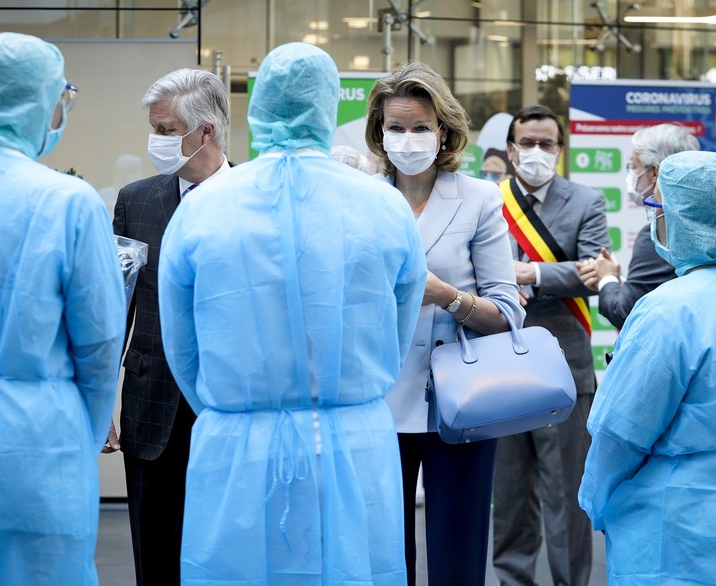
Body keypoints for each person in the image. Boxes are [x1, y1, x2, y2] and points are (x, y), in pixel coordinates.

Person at [158, 43, 426, 584]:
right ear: (329, 108)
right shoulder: (382, 205)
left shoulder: (204, 206)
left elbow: (182, 344)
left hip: (237, 447)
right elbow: (398, 329)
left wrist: (232, 409)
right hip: (353, 443)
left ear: (258, 105)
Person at [0, 32, 125, 584]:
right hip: (37, 442)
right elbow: (99, 343)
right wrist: (79, 438)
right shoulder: (67, 201)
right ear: (43, 101)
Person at [579, 151, 716, 584]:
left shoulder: (667, 309)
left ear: (683, 217)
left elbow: (619, 432)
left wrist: (597, 499)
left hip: (679, 526)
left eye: (658, 208)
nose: (654, 218)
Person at [365, 61, 524, 586]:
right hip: (373, 398)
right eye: (395, 128)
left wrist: (447, 297)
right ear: (379, 132)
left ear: (444, 131)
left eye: (419, 128)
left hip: (459, 399)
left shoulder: (478, 199)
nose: (407, 139)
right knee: (381, 554)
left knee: (458, 553)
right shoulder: (360, 199)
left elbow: (506, 314)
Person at [108, 68, 231, 585]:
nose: (156, 141)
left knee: (225, 555)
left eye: (165, 130)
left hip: (229, 405)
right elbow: (117, 310)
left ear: (206, 132)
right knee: (154, 555)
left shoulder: (253, 199)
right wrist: (98, 402)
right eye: (153, 129)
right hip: (151, 404)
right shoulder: (136, 201)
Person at [493, 104, 609, 586]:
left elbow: (592, 273)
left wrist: (530, 273)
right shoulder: (487, 199)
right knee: (511, 496)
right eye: (527, 143)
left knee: (567, 495)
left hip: (565, 364)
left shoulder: (587, 200)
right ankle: (512, 580)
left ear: (560, 149)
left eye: (547, 143)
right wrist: (500, 281)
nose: (536, 152)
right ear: (510, 148)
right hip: (499, 366)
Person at [577, 123, 699, 329]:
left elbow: (625, 312)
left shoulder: (660, 232)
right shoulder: (703, 223)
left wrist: (606, 278)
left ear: (654, 173)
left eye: (634, 167)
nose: (631, 175)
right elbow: (661, 290)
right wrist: (618, 282)